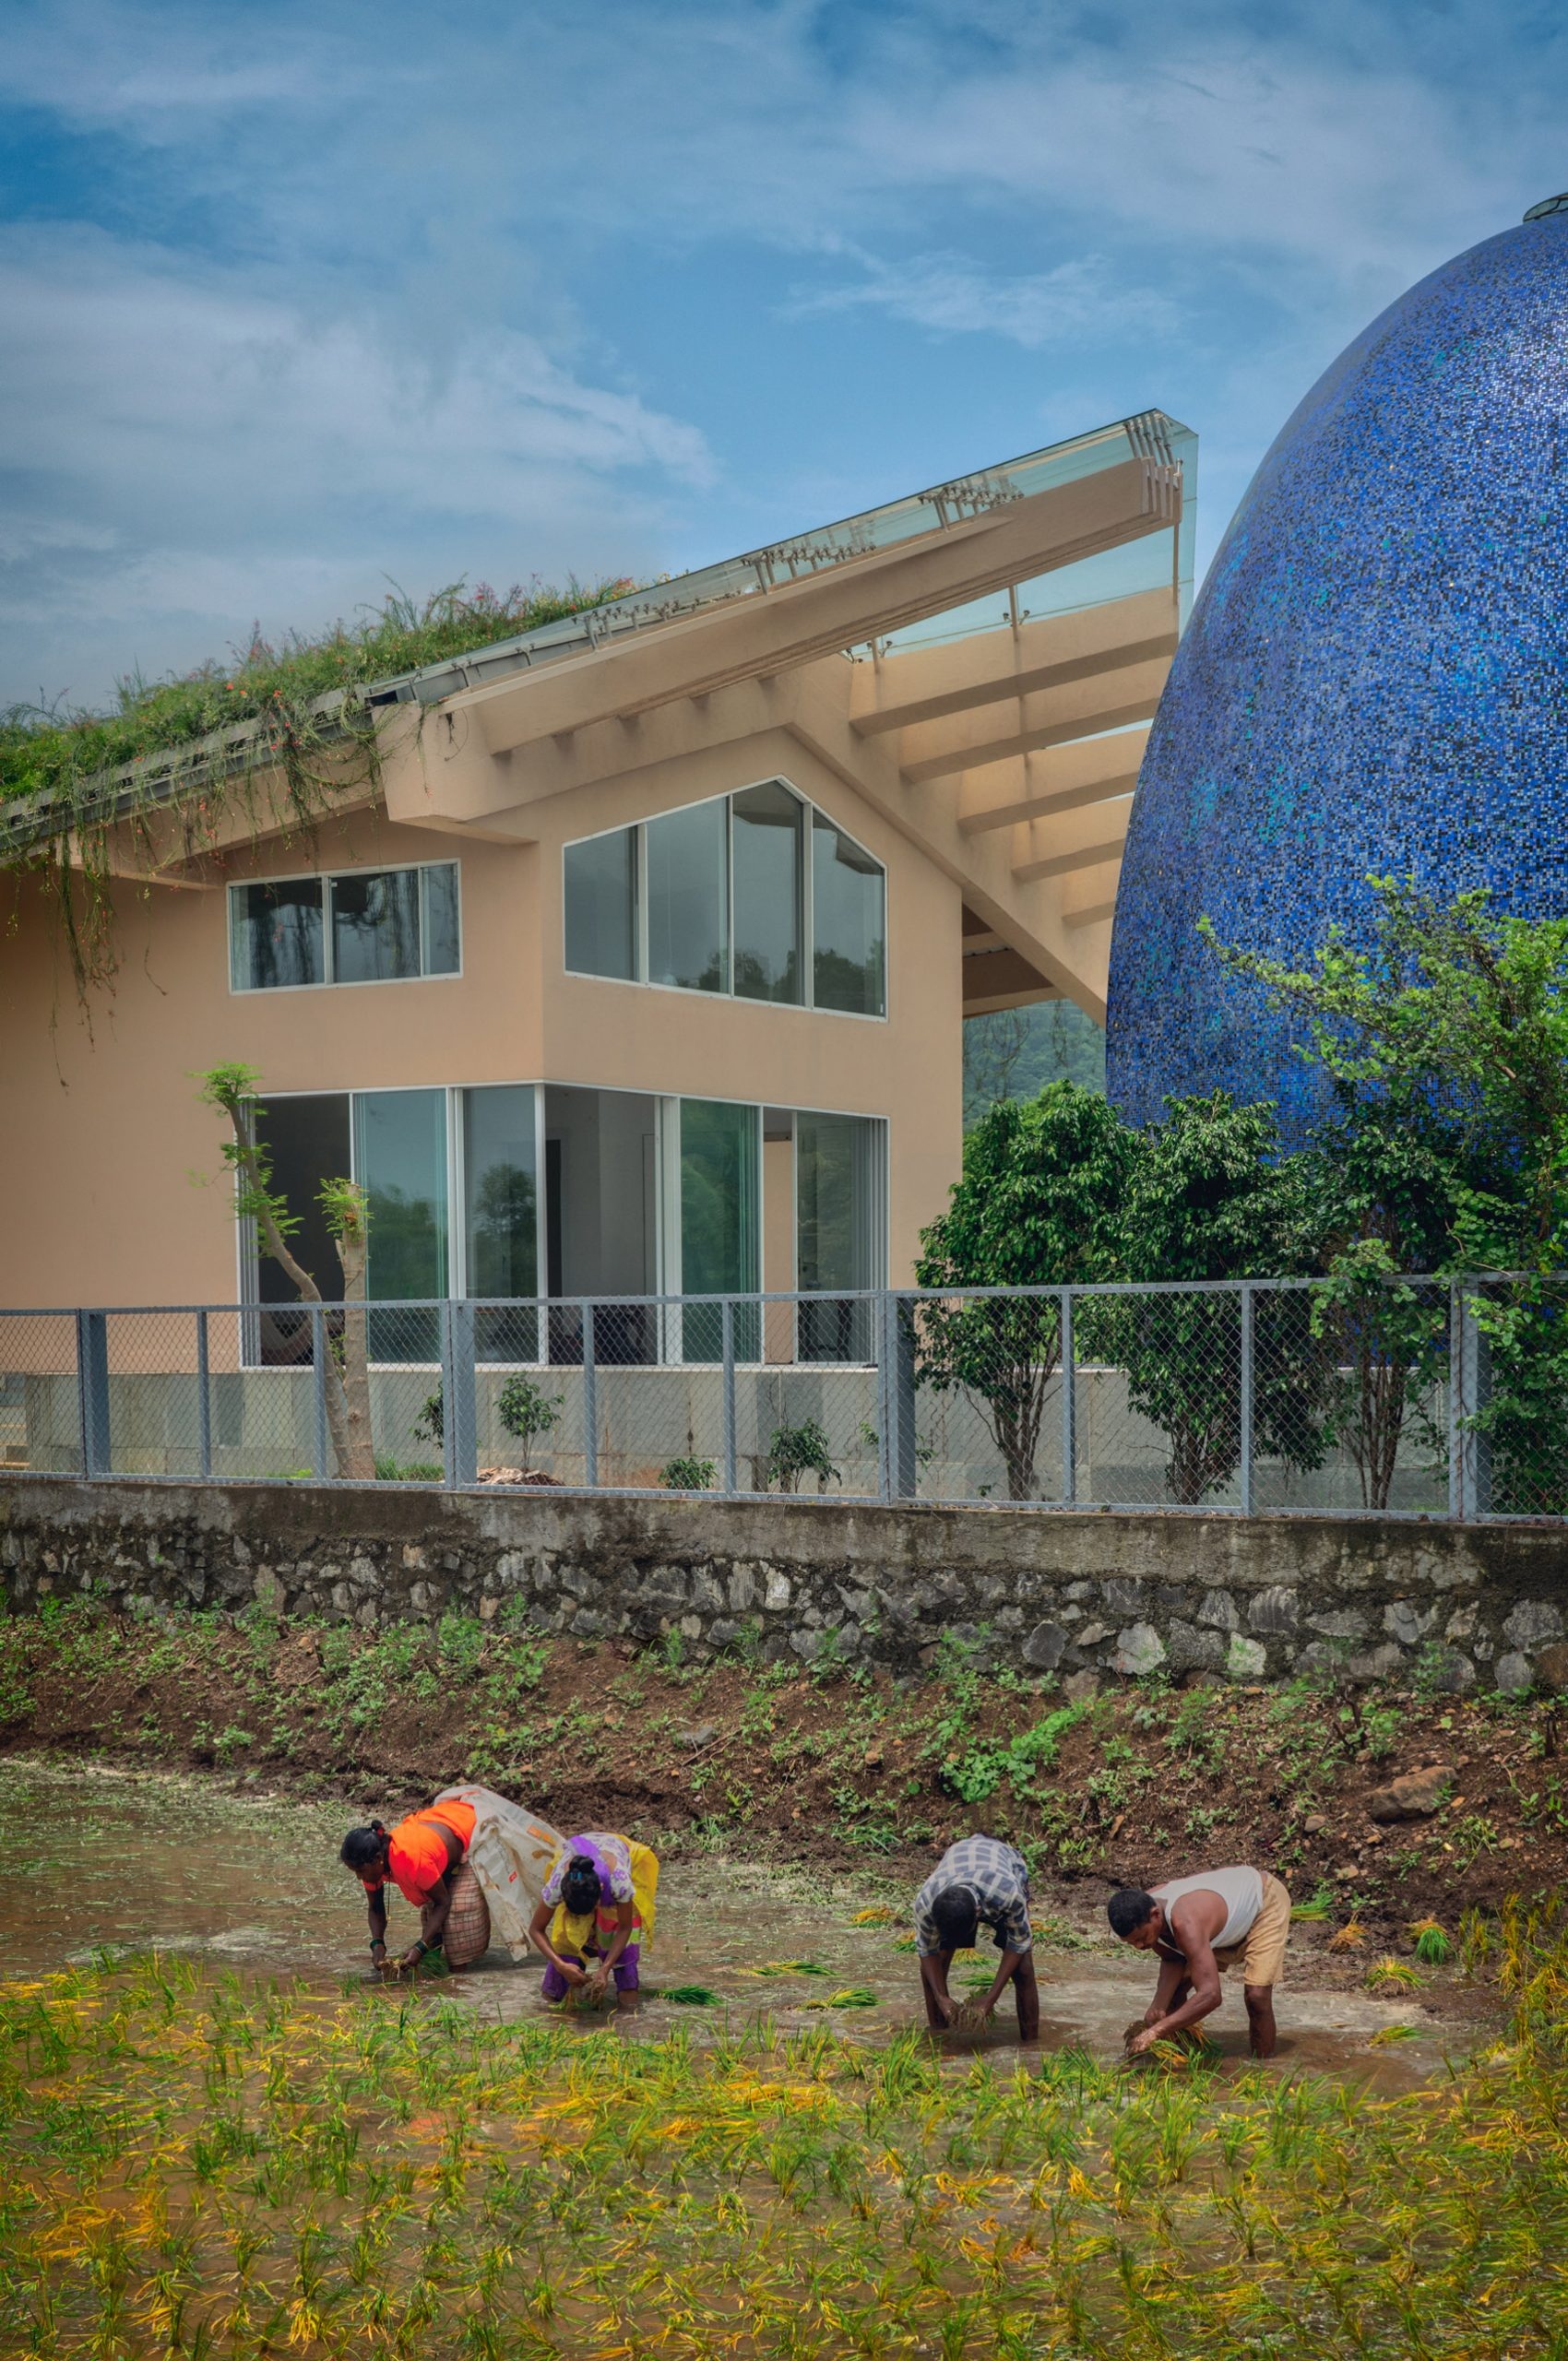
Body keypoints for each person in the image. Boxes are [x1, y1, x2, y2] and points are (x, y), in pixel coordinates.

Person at [341, 1786, 563, 1974]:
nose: (359, 1876)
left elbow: (443, 1902)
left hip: (471, 1831)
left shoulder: (411, 1859)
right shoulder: (374, 1863)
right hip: (439, 1843)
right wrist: (377, 1943)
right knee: (433, 1921)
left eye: (360, 1870)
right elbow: (375, 1907)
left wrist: (419, 1947)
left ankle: (459, 1976)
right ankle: (435, 1956)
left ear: (378, 1859)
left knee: (458, 1914)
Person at [1108, 1863, 1291, 2058]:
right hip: (1221, 1926)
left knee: (1257, 1997)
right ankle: (1184, 2057)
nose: (1139, 1946)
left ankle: (1262, 2069)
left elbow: (1211, 1995)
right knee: (1172, 1996)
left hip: (1262, 1905)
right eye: (1131, 1942)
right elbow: (1172, 1957)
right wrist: (1158, 2006)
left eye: (1141, 1938)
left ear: (1155, 1915)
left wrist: (1155, 2031)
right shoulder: (1141, 1910)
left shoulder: (1184, 1922)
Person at [912, 1833, 1039, 2040]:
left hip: (1004, 1863)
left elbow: (1018, 1943)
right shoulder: (925, 1903)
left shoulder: (1007, 1894)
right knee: (935, 1966)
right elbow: (927, 1951)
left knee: (1023, 1968)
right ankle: (940, 2039)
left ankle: (1031, 2044)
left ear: (979, 1913)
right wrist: (941, 1997)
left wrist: (990, 1999)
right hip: (959, 1858)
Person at [529, 1830, 659, 2011]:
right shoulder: (558, 1884)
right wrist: (561, 1965)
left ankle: (627, 2004)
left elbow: (625, 1927)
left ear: (601, 1889)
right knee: (566, 1944)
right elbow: (535, 1929)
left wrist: (605, 1969)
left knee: (625, 1968)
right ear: (564, 1899)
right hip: (582, 1854)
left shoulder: (619, 1882)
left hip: (614, 1850)